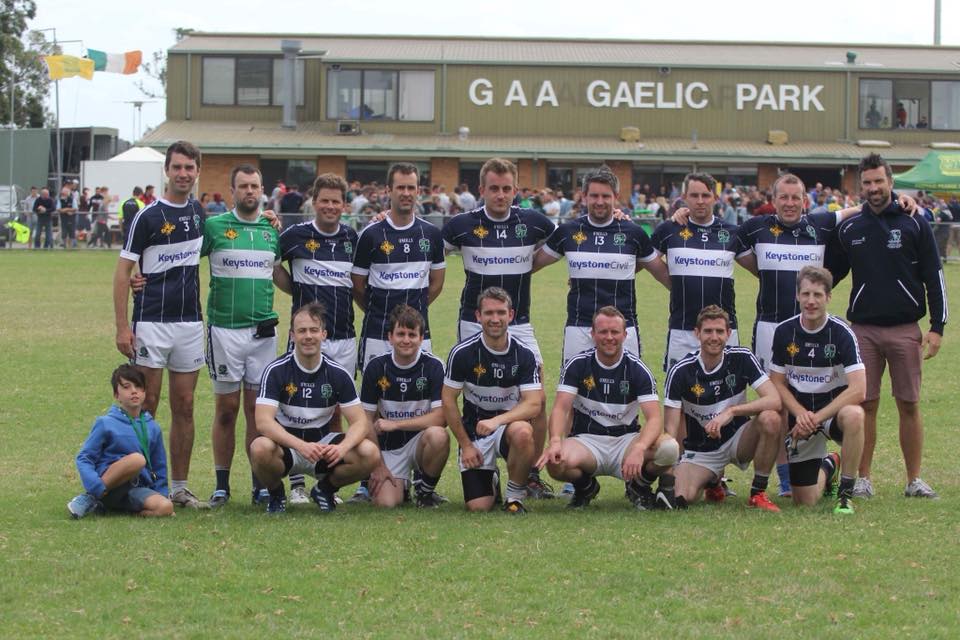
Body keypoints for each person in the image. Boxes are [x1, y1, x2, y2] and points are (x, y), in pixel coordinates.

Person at [441, 157, 557, 498]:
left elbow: (572, 238)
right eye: (494, 188)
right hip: (473, 321)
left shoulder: (533, 223)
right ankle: (480, 459)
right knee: (477, 393)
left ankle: (528, 472)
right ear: (482, 190)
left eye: (507, 189)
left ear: (516, 190)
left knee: (536, 395)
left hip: (518, 322)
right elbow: (425, 244)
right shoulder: (462, 225)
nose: (501, 195)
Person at [834, 153, 947, 499]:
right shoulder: (850, 228)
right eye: (866, 183)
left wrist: (938, 325)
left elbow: (934, 275)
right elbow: (829, 273)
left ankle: (914, 480)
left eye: (878, 181)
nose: (873, 188)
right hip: (862, 330)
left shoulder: (914, 222)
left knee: (908, 404)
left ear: (890, 182)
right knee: (865, 404)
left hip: (904, 328)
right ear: (860, 186)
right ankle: (863, 478)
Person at [113, 140, 207, 509]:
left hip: (190, 323)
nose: (183, 173)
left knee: (184, 406)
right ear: (166, 171)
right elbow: (123, 273)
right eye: (177, 167)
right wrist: (123, 327)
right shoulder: (147, 216)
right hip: (151, 321)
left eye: (190, 168)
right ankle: (142, 483)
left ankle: (180, 489)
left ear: (197, 172)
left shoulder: (200, 212)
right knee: (146, 404)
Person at [538, 306, 680, 510]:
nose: (609, 337)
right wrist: (554, 441)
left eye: (615, 332)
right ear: (593, 334)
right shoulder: (577, 364)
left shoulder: (638, 369)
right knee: (556, 462)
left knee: (669, 449)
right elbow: (561, 408)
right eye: (603, 332)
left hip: (626, 441)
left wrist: (639, 448)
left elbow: (655, 419)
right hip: (587, 441)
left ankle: (639, 486)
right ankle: (585, 488)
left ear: (625, 334)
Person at [274, 172, 360, 504]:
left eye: (335, 201)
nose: (329, 206)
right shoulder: (295, 235)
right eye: (323, 200)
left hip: (342, 337)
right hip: (306, 337)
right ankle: (295, 483)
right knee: (292, 405)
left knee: (334, 406)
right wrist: (295, 286)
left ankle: (326, 479)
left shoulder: (352, 238)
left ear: (344, 205)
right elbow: (273, 265)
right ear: (314, 201)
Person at [250, 302, 380, 514]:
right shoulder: (276, 371)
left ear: (324, 334)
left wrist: (342, 448)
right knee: (259, 448)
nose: (308, 336)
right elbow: (263, 422)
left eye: (313, 330)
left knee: (370, 453)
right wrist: (300, 446)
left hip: (323, 447)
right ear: (292, 335)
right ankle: (276, 494)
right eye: (302, 331)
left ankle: (324, 489)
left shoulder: (338, 373)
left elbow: (360, 422)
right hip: (287, 448)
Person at [533, 165, 671, 364]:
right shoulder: (568, 232)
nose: (600, 202)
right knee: (575, 392)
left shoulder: (633, 233)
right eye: (594, 196)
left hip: (623, 329)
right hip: (579, 328)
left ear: (615, 196)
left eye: (606, 196)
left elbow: (665, 276)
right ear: (584, 196)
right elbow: (530, 265)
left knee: (626, 393)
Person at [202, 164, 282, 508]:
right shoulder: (214, 226)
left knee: (257, 411)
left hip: (263, 332)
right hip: (224, 330)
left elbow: (280, 273)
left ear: (262, 190)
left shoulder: (271, 229)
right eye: (244, 186)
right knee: (226, 409)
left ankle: (258, 484)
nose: (250, 191)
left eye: (255, 186)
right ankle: (221, 484)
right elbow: (184, 261)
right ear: (232, 190)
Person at [663, 305, 783, 511]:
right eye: (708, 331)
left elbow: (775, 400)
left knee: (770, 418)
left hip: (739, 441)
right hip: (702, 450)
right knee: (683, 497)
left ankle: (758, 493)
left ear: (728, 334)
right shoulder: (681, 370)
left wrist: (732, 412)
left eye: (720, 331)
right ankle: (713, 480)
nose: (714, 337)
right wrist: (669, 475)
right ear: (697, 333)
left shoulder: (742, 358)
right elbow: (671, 431)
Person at [768, 267, 866, 514]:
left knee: (855, 415)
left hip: (832, 416)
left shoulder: (842, 333)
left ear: (828, 297)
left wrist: (816, 418)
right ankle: (828, 465)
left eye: (818, 295)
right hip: (801, 419)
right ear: (798, 296)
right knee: (805, 501)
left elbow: (859, 389)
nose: (811, 301)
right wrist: (801, 413)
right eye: (806, 294)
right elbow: (777, 382)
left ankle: (845, 495)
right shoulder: (784, 332)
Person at [443, 287, 544, 513]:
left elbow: (534, 403)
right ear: (478, 316)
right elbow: (448, 401)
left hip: (507, 428)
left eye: (500, 313)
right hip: (474, 432)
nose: (495, 319)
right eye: (489, 313)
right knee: (478, 507)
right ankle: (492, 481)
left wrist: (498, 421)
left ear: (511, 315)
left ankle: (514, 496)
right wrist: (466, 445)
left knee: (522, 432)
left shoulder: (525, 354)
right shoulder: (462, 353)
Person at [351, 162, 445, 369]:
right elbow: (357, 285)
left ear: (418, 191)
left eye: (411, 188)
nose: (406, 193)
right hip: (377, 332)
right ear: (388, 190)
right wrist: (376, 310)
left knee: (420, 394)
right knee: (373, 397)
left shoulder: (431, 234)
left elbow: (437, 282)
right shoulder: (371, 234)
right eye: (400, 187)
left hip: (418, 331)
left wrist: (417, 307)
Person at [360, 305, 449, 508]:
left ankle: (425, 492)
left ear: (421, 338)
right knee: (387, 504)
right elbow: (364, 419)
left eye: (412, 334)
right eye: (400, 334)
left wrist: (396, 424)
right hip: (389, 448)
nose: (406, 340)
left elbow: (440, 418)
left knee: (439, 435)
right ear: (390, 337)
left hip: (420, 442)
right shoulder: (375, 367)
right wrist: (378, 465)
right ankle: (401, 486)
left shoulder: (435, 366)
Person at [650, 172, 740, 371]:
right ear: (684, 198)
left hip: (724, 331)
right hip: (682, 330)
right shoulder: (669, 229)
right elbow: (642, 260)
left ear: (715, 198)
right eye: (694, 195)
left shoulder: (732, 233)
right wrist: (671, 280)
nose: (700, 201)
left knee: (729, 395)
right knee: (678, 398)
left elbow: (761, 268)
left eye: (706, 195)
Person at [68, 364, 174, 519]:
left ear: (144, 392)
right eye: (126, 387)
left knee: (166, 507)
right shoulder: (105, 423)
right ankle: (91, 497)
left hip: (136, 489)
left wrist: (162, 494)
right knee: (137, 459)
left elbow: (159, 466)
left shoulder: (153, 427)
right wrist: (95, 486)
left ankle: (119, 510)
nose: (133, 391)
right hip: (106, 488)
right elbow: (84, 458)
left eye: (138, 386)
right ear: (116, 394)